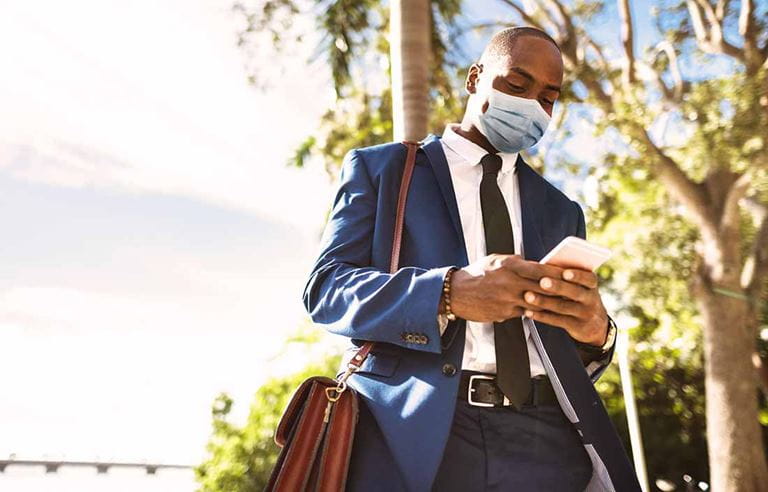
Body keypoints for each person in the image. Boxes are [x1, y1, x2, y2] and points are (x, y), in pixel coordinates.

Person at [302, 26, 640, 492]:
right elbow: (327, 290)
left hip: (547, 440)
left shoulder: (562, 210)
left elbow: (565, 343)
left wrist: (594, 335)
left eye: (547, 97)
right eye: (516, 85)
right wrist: (448, 292)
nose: (531, 106)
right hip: (423, 433)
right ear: (475, 77)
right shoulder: (382, 171)